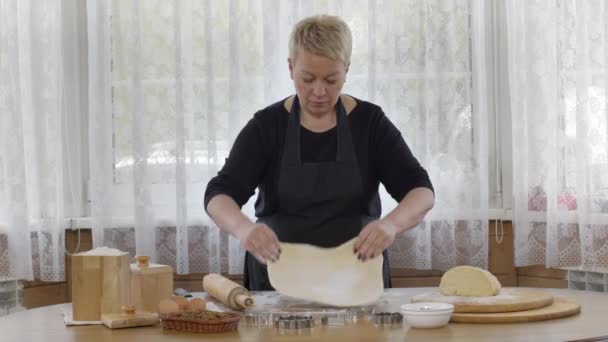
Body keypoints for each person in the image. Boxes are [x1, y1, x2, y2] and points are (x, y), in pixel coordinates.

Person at [204, 15, 435, 291]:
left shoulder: (370, 123)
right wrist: (244, 230)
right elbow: (219, 194)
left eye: (331, 79)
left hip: (356, 279)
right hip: (278, 281)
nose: (319, 91)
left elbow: (421, 191)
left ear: (347, 70)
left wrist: (391, 226)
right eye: (308, 78)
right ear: (291, 68)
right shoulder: (266, 127)